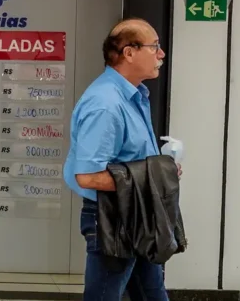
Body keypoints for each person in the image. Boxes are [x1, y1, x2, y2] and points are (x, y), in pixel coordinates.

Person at [63, 18, 177, 301]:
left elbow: (132, 161)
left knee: (152, 295)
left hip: (138, 214)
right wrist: (154, 176)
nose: (161, 54)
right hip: (113, 217)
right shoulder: (106, 104)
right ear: (129, 52)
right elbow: (88, 176)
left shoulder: (133, 95)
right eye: (155, 47)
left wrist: (161, 170)